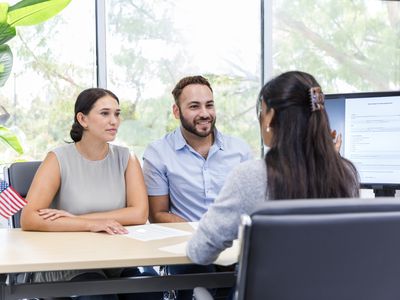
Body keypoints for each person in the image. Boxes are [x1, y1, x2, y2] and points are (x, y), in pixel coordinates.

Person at [187, 70, 360, 266]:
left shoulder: (251, 176)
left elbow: (199, 252)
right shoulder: (345, 174)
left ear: (270, 117)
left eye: (261, 111)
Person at [20, 88, 161, 300]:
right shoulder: (57, 158)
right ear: (83, 119)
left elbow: (139, 213)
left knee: (148, 291)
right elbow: (29, 217)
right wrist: (90, 225)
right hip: (68, 260)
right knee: (99, 296)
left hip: (118, 256)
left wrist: (78, 219)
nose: (114, 120)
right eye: (105, 113)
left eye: (117, 113)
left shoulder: (127, 158)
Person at [142, 75, 252, 300]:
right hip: (188, 249)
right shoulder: (158, 153)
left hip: (235, 247)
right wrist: (203, 232)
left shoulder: (240, 150)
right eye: (194, 106)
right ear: (176, 111)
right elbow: (157, 214)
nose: (204, 113)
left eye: (209, 105)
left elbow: (250, 207)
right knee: (200, 276)